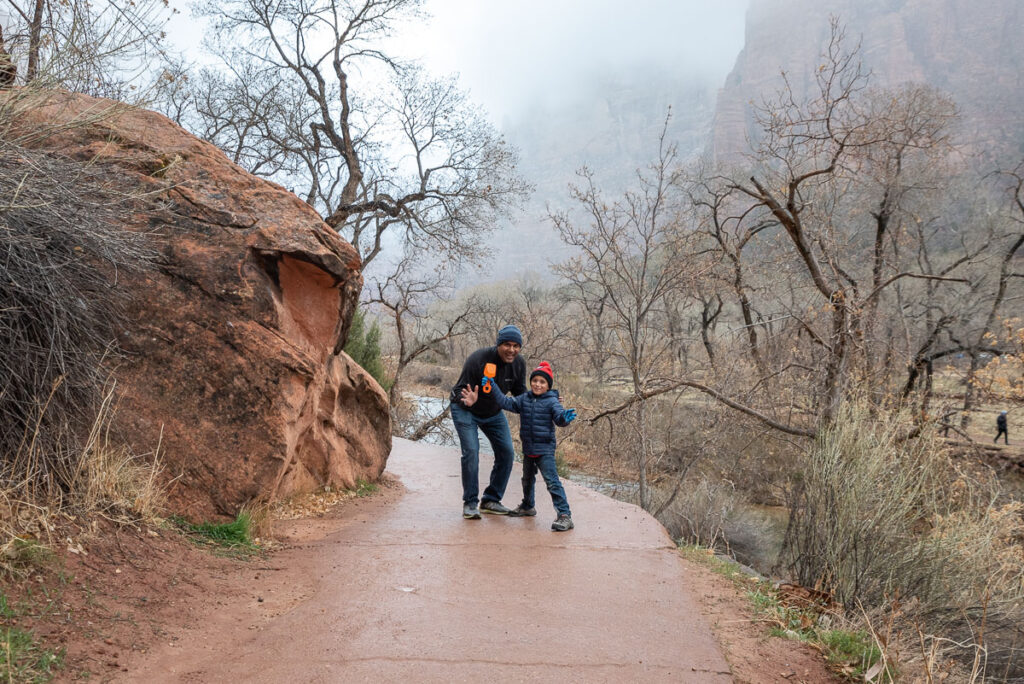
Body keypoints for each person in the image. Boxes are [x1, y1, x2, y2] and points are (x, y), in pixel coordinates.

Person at [461, 361, 578, 532]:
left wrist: (564, 419)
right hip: (529, 449)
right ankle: (528, 506)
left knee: (552, 483)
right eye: (535, 380)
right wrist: (492, 386)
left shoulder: (552, 402)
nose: (538, 384)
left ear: (548, 385)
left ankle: (564, 515)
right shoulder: (525, 399)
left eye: (542, 382)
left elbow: (559, 418)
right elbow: (506, 402)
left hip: (544, 450)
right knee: (527, 480)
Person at [449, 325, 527, 519]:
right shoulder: (478, 359)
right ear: (498, 344)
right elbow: (459, 390)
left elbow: (520, 394)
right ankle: (470, 503)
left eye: (516, 346)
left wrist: (545, 402)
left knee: (507, 452)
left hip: (493, 412)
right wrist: (465, 400)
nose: (511, 350)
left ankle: (491, 499)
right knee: (472, 452)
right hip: (466, 409)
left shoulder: (518, 364)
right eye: (507, 345)